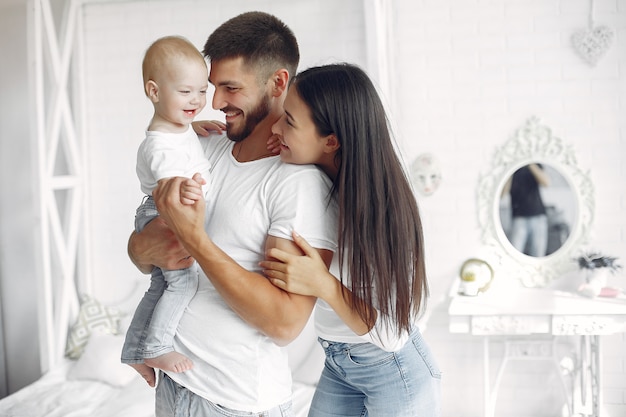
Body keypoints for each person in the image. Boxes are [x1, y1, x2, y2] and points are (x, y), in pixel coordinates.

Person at [127, 11, 337, 417]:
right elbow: (144, 253)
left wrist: (196, 241)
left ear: (277, 83)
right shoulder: (204, 147)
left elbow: (285, 324)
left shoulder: (300, 185)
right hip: (175, 386)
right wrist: (141, 248)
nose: (216, 101)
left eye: (230, 87)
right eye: (212, 87)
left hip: (232, 402)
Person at [260, 63, 442, 417]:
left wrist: (323, 284)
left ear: (331, 141)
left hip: (395, 370)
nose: (276, 126)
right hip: (339, 363)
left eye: (290, 122)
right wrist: (212, 137)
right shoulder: (316, 179)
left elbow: (391, 335)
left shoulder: (383, 212)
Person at [121, 35, 226, 384]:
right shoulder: (161, 147)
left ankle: (134, 349)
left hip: (161, 210)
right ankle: (157, 345)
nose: (197, 100)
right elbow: (169, 188)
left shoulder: (174, 131)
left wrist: (190, 128)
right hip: (165, 213)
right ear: (153, 91)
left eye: (201, 91)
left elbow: (170, 138)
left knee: (159, 287)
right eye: (185, 92)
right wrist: (189, 188)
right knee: (182, 285)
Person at [501, 163, 550, 257]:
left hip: (538, 217)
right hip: (518, 218)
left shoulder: (534, 165)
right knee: (514, 253)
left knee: (538, 254)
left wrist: (529, 163)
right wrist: (510, 169)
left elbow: (546, 183)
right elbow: (502, 194)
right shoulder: (510, 170)